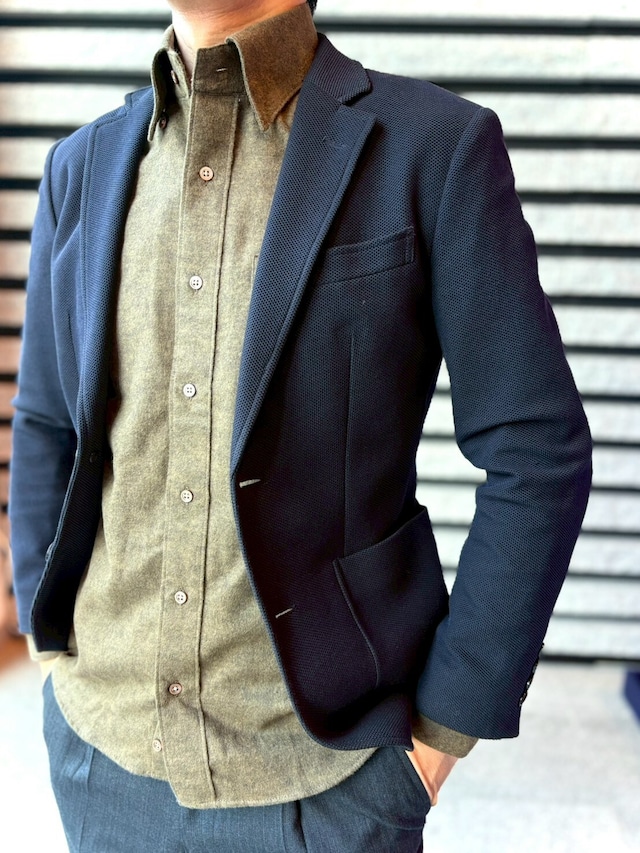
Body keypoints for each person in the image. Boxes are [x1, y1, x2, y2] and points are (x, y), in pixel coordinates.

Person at [10, 0, 592, 850]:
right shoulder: (81, 165)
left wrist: (443, 732)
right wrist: (49, 638)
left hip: (327, 782)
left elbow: (538, 451)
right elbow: (46, 421)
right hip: (101, 758)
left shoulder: (434, 146)